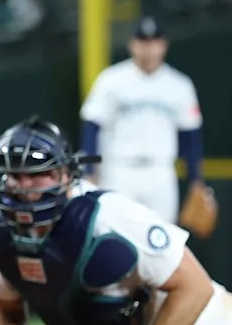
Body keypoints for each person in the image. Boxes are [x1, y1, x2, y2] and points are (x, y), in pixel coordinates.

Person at [0, 116, 232, 325]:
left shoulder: (108, 216)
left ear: (65, 174)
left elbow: (196, 287)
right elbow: (6, 309)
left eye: (36, 173)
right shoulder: (1, 232)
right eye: (14, 176)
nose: (23, 186)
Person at [79, 16, 207, 226]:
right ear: (132, 44)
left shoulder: (180, 85)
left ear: (164, 45)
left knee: (162, 239)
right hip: (119, 169)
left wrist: (196, 181)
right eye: (143, 41)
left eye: (154, 41)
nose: (148, 48)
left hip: (160, 171)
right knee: (116, 234)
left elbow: (191, 136)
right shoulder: (111, 79)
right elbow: (92, 127)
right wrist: (89, 172)